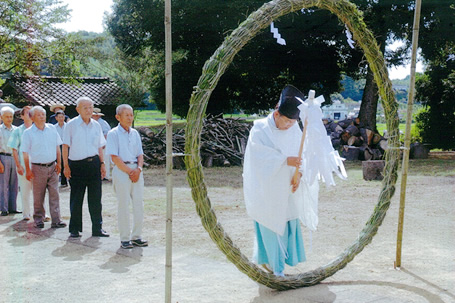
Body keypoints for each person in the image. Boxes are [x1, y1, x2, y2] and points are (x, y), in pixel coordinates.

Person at [243, 85, 318, 277]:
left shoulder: (293, 130)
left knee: (287, 222)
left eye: (293, 123)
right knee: (271, 222)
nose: (289, 126)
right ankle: (274, 266)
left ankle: (283, 263)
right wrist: (284, 161)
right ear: (277, 114)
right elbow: (257, 157)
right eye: (286, 122)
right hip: (267, 188)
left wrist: (298, 173)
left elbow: (301, 155)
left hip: (286, 187)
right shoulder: (260, 128)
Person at [63, 97, 109, 238]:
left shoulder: (96, 125)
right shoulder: (70, 125)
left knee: (95, 199)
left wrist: (102, 164)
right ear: (78, 109)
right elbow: (65, 146)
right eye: (85, 107)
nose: (89, 110)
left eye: (90, 107)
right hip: (76, 165)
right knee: (77, 198)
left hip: (94, 163)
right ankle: (74, 229)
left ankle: (97, 228)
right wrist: (66, 166)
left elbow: (100, 146)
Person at [106, 104, 147, 249]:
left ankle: (136, 236)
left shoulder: (135, 133)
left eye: (131, 115)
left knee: (138, 205)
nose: (130, 118)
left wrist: (139, 169)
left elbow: (140, 154)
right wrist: (130, 172)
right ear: (118, 117)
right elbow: (114, 157)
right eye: (126, 115)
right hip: (122, 171)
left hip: (136, 169)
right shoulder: (113, 133)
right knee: (123, 205)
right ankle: (124, 238)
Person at [21, 106, 66, 229]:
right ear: (32, 117)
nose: (42, 116)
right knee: (38, 195)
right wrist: (28, 170)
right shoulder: (28, 133)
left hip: (52, 166)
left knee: (54, 194)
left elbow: (57, 147)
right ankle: (38, 220)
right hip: (37, 167)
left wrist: (59, 164)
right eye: (39, 114)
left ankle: (56, 220)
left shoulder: (52, 128)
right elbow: (25, 152)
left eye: (43, 114)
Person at [0, 106, 19, 216]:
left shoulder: (16, 130)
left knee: (14, 184)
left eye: (11, 117)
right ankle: (4, 208)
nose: (9, 119)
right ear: (2, 117)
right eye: (6, 117)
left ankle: (13, 207)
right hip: (3, 157)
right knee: (3, 184)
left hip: (15, 157)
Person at [92, 108, 112, 181]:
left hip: (103, 144)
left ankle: (105, 175)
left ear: (98, 116)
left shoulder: (102, 123)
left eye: (94, 115)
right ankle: (100, 174)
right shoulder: (94, 123)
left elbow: (106, 134)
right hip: (97, 145)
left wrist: (103, 143)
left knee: (105, 160)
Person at [54, 110, 67, 187]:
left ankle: (65, 180)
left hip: (66, 146)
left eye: (62, 117)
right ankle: (60, 180)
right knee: (59, 163)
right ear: (56, 118)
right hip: (57, 146)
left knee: (66, 162)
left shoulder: (68, 126)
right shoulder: (54, 127)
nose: (61, 118)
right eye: (59, 117)